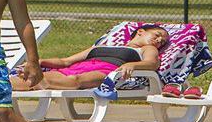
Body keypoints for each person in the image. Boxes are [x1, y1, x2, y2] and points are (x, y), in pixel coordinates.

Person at [10, 24, 169, 95]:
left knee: (77, 80)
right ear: (140, 32)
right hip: (79, 66)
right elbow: (66, 61)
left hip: (108, 72)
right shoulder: (102, 46)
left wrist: (132, 64)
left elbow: (152, 63)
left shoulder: (146, 49)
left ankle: (38, 82)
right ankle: (2, 85)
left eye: (163, 41)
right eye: (157, 35)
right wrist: (40, 62)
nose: (159, 40)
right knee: (55, 75)